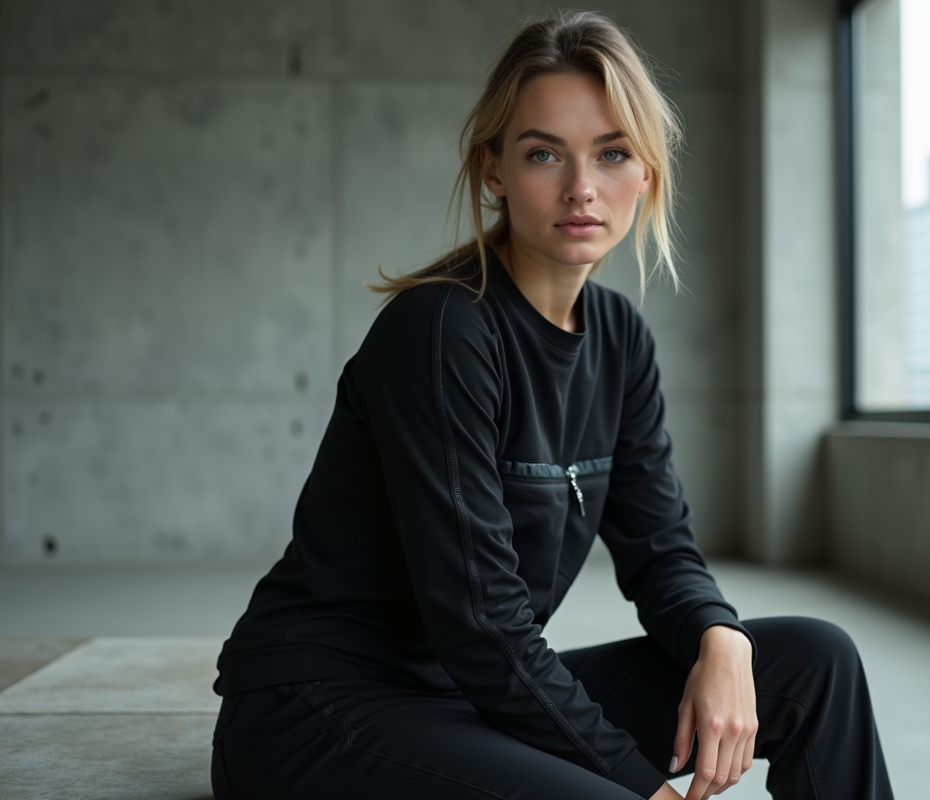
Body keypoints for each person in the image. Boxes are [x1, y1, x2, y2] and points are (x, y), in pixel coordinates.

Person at [209, 10, 893, 800]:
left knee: (816, 661)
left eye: (612, 154)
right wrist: (647, 788)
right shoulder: (442, 330)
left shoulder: (619, 338)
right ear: (493, 169)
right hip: (320, 711)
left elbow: (660, 548)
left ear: (647, 174)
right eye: (544, 154)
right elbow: (483, 622)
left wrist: (722, 639)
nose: (581, 189)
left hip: (465, 698)